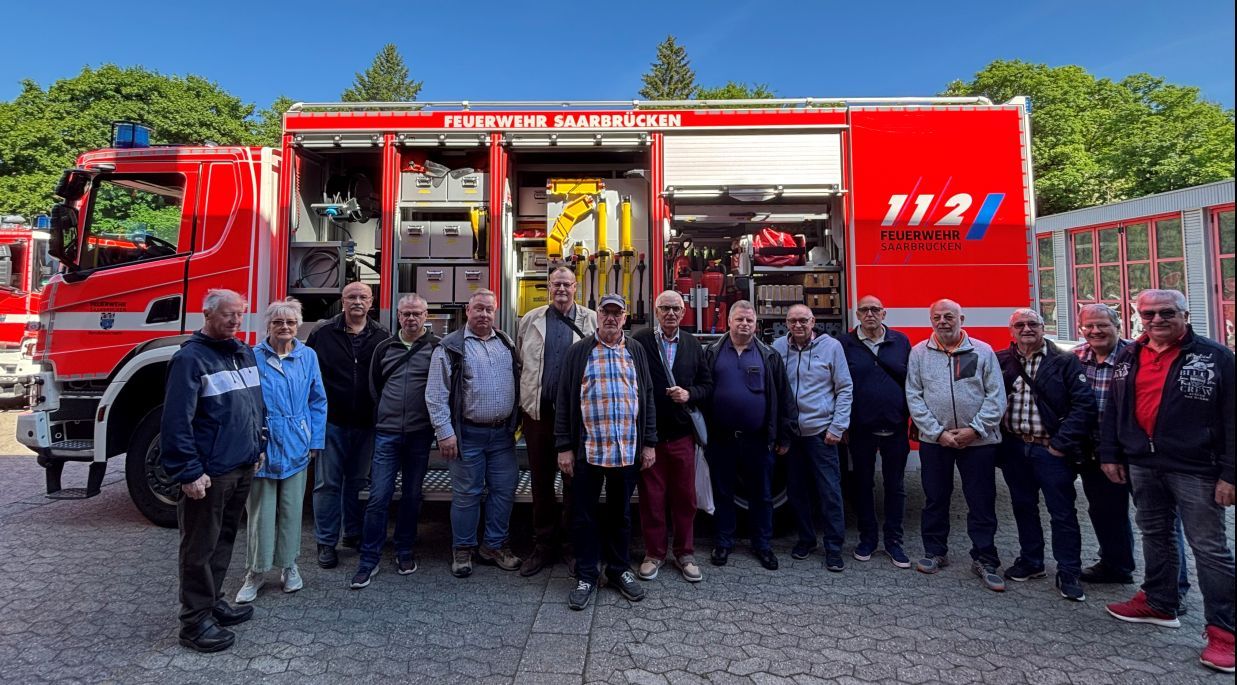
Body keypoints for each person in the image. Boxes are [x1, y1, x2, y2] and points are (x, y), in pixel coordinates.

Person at [1100, 289, 1235, 674]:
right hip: (1143, 462)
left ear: (1185, 314)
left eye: (1166, 313)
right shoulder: (1129, 355)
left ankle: (1225, 632)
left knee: (1209, 548)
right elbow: (1115, 406)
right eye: (1148, 314)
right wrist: (1111, 452)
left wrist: (1230, 473)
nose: (1156, 320)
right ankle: (1160, 603)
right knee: (1155, 534)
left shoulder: (1215, 358)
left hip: (1197, 468)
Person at [161, 289, 265, 653]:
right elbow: (176, 423)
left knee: (222, 541)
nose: (236, 321)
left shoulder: (242, 352)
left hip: (240, 465)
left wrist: (258, 447)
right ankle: (193, 623)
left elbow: (254, 407)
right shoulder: (189, 360)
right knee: (199, 547)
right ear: (207, 314)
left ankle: (213, 601)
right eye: (228, 315)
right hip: (210, 473)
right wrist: (189, 472)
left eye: (240, 315)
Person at [1074, 304, 1191, 603]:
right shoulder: (1075, 358)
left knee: (1159, 522)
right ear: (1081, 329)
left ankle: (1173, 588)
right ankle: (1115, 565)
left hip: (1138, 452)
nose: (1095, 331)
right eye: (1089, 326)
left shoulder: (1136, 356)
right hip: (1095, 451)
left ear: (1118, 326)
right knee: (1105, 512)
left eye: (1102, 325)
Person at [555, 294, 658, 609]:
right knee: (583, 516)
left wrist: (649, 443)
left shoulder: (636, 351)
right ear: (596, 315)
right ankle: (587, 574)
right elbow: (564, 400)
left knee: (621, 515)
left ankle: (618, 570)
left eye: (617, 313)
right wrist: (564, 447)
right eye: (606, 312)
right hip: (589, 451)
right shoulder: (579, 352)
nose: (611, 318)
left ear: (625, 317)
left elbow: (648, 397)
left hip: (626, 450)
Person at [906, 299, 1008, 592]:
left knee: (981, 501)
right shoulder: (919, 353)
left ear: (961, 317)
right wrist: (938, 433)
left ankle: (985, 558)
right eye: (936, 317)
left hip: (978, 442)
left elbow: (996, 396)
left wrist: (974, 430)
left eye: (949, 316)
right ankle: (935, 552)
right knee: (935, 498)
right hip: (935, 441)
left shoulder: (981, 351)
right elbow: (914, 395)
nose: (943, 321)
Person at [996, 308, 1096, 602]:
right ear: (1011, 331)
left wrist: (1060, 444)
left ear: (1042, 327)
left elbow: (1083, 406)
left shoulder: (1064, 362)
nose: (1026, 329)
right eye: (1020, 325)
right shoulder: (1003, 361)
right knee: (1023, 506)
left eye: (1032, 324)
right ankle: (1031, 561)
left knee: (1062, 512)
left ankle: (1068, 571)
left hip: (1049, 449)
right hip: (1015, 447)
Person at [235, 299, 327, 604]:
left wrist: (315, 441)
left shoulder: (307, 356)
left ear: (298, 325)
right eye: (278, 322)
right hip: (262, 444)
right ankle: (256, 572)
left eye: (290, 322)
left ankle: (289, 567)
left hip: (296, 444)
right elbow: (245, 402)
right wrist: (249, 442)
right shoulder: (251, 356)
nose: (284, 327)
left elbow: (318, 401)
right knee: (260, 512)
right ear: (268, 325)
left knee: (291, 511)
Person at [427, 288, 522, 578]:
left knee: (504, 491)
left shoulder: (504, 342)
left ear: (495, 312)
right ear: (467, 311)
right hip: (467, 435)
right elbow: (435, 394)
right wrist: (445, 433)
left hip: (502, 436)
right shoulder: (450, 347)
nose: (483, 314)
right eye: (478, 309)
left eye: (488, 310)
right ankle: (463, 550)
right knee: (467, 494)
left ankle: (493, 546)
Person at [350, 294, 440, 589]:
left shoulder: (437, 349)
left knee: (412, 496)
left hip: (419, 433)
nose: (411, 319)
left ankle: (404, 550)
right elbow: (374, 386)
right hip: (387, 432)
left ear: (427, 315)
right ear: (398, 316)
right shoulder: (384, 348)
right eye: (406, 314)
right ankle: (369, 558)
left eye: (416, 314)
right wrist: (385, 415)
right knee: (378, 496)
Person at [515, 267, 597, 577]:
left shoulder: (591, 320)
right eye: (556, 284)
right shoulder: (530, 320)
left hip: (579, 420)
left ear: (576, 287)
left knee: (576, 485)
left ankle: (572, 547)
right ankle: (543, 546)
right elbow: (523, 363)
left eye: (567, 283)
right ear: (549, 287)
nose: (561, 288)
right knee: (541, 484)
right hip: (540, 416)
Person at [703, 300, 796, 571]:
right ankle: (723, 542)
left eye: (750, 320)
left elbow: (784, 397)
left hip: (758, 439)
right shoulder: (712, 353)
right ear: (728, 322)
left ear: (757, 325)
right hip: (721, 438)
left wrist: (785, 436)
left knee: (762, 495)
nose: (745, 324)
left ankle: (762, 545)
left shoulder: (769, 356)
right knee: (723, 493)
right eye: (740, 319)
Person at [632, 290, 713, 583]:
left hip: (681, 437)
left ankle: (685, 553)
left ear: (683, 313)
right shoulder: (639, 341)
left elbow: (707, 385)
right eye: (664, 308)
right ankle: (654, 554)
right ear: (656, 311)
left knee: (685, 498)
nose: (670, 313)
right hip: (650, 437)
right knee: (652, 499)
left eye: (675, 309)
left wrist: (689, 393)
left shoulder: (693, 345)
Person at [306, 281, 388, 570]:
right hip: (331, 421)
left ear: (371, 302)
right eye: (351, 297)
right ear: (342, 301)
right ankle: (326, 542)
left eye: (362, 297)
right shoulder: (323, 333)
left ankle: (352, 534)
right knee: (327, 483)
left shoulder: (381, 335)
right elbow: (308, 376)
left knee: (357, 482)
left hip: (366, 423)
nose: (357, 301)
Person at [772, 304, 852, 572]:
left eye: (803, 320)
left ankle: (833, 547)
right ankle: (806, 540)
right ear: (786, 322)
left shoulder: (831, 348)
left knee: (829, 491)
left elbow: (844, 388)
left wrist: (837, 428)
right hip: (792, 436)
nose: (798, 325)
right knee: (797, 492)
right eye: (793, 320)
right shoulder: (777, 348)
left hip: (821, 433)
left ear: (813, 321)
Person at [839, 295, 913, 568]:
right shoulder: (844, 344)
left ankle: (894, 542)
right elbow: (839, 385)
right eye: (864, 310)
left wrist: (912, 418)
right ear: (857, 315)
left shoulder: (901, 342)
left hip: (895, 427)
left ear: (884, 313)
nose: (870, 314)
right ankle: (867, 539)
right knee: (863, 485)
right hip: (860, 429)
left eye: (875, 309)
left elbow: (913, 383)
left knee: (895, 487)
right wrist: (843, 423)